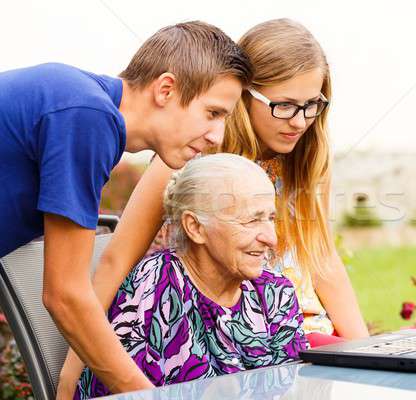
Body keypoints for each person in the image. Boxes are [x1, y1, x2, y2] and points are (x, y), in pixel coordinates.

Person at [60, 18, 368, 394]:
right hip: (215, 342)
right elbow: (116, 259)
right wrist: (71, 371)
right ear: (242, 96)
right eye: (284, 106)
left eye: (312, 106)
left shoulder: (304, 158)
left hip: (288, 331)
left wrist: (369, 351)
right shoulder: (192, 154)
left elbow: (323, 258)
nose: (300, 121)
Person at [0, 21, 252, 395]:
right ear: (166, 89)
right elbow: (65, 294)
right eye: (212, 113)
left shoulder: (86, 109)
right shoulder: (87, 116)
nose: (217, 136)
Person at [74, 153, 308, 399]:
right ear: (195, 227)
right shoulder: (155, 288)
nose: (271, 238)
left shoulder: (275, 291)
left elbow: (294, 390)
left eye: (271, 218)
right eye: (251, 220)